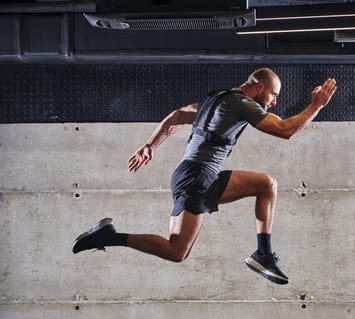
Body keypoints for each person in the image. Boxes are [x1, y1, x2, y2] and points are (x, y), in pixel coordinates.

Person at [72, 67, 337, 285]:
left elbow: (177, 116)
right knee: (177, 251)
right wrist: (316, 105)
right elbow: (284, 130)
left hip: (196, 175)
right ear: (258, 88)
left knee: (266, 185)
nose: (274, 101)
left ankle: (263, 254)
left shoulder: (219, 99)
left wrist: (150, 145)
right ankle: (108, 236)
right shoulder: (243, 103)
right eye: (273, 95)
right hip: (196, 178)